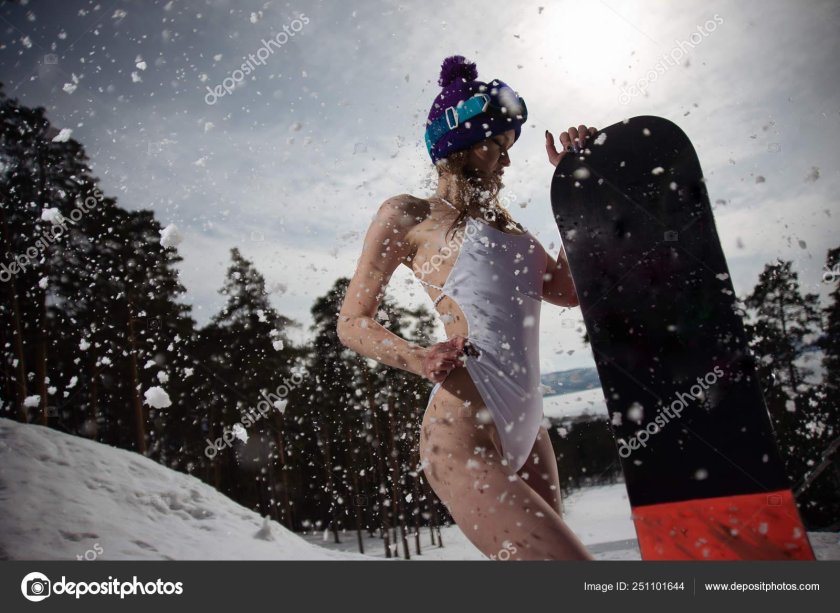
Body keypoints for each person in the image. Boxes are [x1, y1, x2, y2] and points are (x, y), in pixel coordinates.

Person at [337, 55, 597, 560]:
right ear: (457, 145)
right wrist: (417, 358)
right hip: (461, 432)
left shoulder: (511, 228)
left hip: (529, 426)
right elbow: (351, 322)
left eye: (509, 148)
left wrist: (578, 185)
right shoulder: (408, 214)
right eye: (495, 145)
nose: (506, 160)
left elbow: (568, 289)